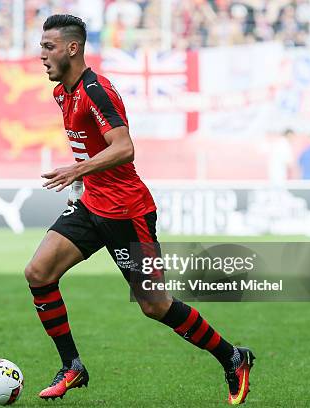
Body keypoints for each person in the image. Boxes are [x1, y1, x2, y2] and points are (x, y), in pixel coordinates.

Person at [26, 14, 255, 405]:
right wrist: (79, 185)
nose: (41, 55)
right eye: (41, 47)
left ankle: (233, 357)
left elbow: (124, 147)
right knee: (38, 272)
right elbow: (89, 147)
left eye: (48, 47)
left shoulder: (97, 91)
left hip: (128, 212)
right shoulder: (63, 93)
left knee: (155, 305)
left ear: (72, 48)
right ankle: (72, 367)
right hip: (91, 205)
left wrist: (75, 171)